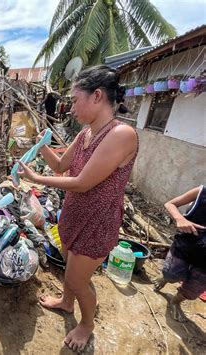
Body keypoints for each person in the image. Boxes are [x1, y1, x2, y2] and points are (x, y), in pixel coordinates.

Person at [17, 65, 138, 351]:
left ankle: (86, 325)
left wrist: (34, 178)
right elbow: (61, 166)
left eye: (74, 99)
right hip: (74, 213)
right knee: (69, 265)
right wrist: (41, 144)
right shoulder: (85, 134)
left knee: (77, 279)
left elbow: (82, 182)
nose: (70, 108)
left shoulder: (122, 134)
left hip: (98, 221)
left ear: (97, 96)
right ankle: (66, 303)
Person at [153, 185, 206, 322]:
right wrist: (180, 219)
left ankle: (175, 302)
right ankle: (166, 278)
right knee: (171, 274)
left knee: (192, 290)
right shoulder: (201, 192)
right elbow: (170, 204)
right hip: (186, 245)